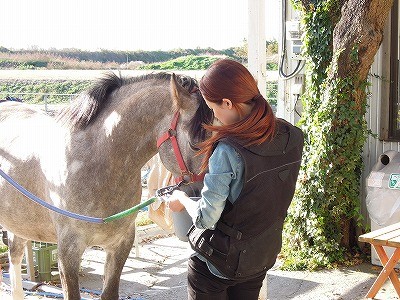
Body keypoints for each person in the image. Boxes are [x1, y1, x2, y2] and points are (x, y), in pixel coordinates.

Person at [167, 59, 304, 300]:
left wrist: (182, 199)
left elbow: (206, 219)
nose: (214, 115)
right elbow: (258, 192)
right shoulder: (292, 135)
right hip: (260, 256)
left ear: (228, 103)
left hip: (216, 265)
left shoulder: (228, 151)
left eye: (213, 108)